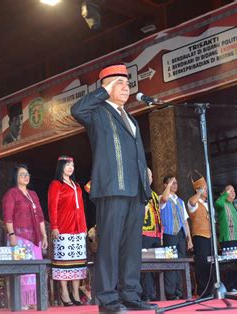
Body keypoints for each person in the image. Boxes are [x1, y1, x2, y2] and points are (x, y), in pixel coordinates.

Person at [71, 63, 156, 313]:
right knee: (108, 245)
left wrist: (145, 170)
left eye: (127, 83)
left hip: (135, 189)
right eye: (119, 82)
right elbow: (76, 109)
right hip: (112, 187)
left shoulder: (131, 119)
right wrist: (102, 92)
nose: (125, 87)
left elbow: (135, 151)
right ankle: (107, 300)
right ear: (106, 86)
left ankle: (130, 295)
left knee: (131, 246)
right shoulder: (97, 112)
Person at [2, 164, 48, 309]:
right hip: (19, 236)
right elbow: (8, 216)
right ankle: (21, 301)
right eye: (22, 174)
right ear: (15, 177)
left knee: (35, 271)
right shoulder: (12, 193)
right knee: (22, 271)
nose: (26, 177)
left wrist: (44, 235)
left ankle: (33, 300)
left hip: (35, 238)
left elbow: (40, 216)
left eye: (27, 174)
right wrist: (11, 235)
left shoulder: (33, 194)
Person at [48, 155, 88, 306]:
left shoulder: (76, 185)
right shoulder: (56, 184)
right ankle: (65, 293)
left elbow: (82, 209)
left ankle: (76, 293)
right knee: (64, 263)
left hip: (78, 229)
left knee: (77, 262)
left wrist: (83, 227)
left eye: (72, 165)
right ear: (61, 167)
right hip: (63, 228)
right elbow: (52, 207)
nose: (71, 167)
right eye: (67, 165)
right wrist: (54, 226)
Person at [160, 175, 192, 300]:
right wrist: (167, 186)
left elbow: (184, 221)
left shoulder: (180, 201)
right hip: (169, 233)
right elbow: (164, 198)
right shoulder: (162, 198)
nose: (175, 185)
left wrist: (189, 238)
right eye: (172, 183)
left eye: (176, 183)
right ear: (165, 185)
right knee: (171, 263)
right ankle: (170, 291)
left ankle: (180, 289)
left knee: (181, 262)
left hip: (180, 234)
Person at [215, 185, 237, 294]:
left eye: (233, 190)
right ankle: (229, 287)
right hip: (228, 238)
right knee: (229, 264)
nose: (232, 192)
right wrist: (224, 194)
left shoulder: (236, 206)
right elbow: (217, 203)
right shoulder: (222, 204)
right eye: (229, 190)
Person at [187, 174, 212, 297]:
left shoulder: (208, 203)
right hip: (199, 236)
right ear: (198, 190)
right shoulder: (194, 202)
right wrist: (199, 192)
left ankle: (211, 289)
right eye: (204, 189)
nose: (206, 191)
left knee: (210, 263)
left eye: (206, 189)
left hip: (209, 236)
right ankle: (203, 290)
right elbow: (192, 202)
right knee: (201, 264)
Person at [140, 168, 162, 302]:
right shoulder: (139, 192)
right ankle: (147, 293)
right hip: (144, 232)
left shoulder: (153, 194)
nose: (150, 177)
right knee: (145, 265)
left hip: (156, 233)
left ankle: (154, 292)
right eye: (148, 175)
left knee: (156, 266)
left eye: (151, 175)